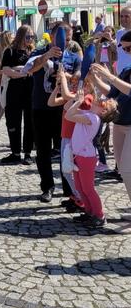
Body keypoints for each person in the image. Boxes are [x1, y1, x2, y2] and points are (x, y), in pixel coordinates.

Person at [27, 22, 71, 202]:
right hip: (41, 107)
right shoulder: (39, 52)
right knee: (43, 150)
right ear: (52, 37)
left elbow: (79, 76)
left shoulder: (73, 54)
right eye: (63, 38)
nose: (66, 42)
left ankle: (69, 187)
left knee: (65, 149)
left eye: (69, 39)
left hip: (64, 108)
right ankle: (47, 186)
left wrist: (67, 77)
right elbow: (31, 69)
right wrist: (47, 55)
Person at [64, 89, 118, 228]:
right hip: (79, 155)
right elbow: (66, 108)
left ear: (103, 112)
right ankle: (89, 212)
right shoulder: (88, 114)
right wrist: (76, 99)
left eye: (103, 103)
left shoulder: (93, 119)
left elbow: (69, 115)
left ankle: (99, 215)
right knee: (79, 187)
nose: (100, 100)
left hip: (86, 158)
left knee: (88, 188)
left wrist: (79, 101)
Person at [47, 64, 88, 214]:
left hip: (73, 139)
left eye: (77, 81)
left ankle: (80, 197)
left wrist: (63, 77)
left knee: (68, 171)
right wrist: (58, 87)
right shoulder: (71, 94)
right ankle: (76, 196)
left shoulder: (80, 98)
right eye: (73, 81)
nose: (74, 83)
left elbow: (66, 97)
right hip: (65, 137)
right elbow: (51, 102)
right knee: (66, 170)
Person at [90, 60, 131, 206]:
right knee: (122, 169)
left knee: (127, 170)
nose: (128, 53)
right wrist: (96, 78)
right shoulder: (127, 69)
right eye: (126, 49)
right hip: (119, 124)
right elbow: (112, 92)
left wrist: (110, 76)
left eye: (129, 48)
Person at [1, 26, 35, 164]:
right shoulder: (9, 51)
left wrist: (21, 71)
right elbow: (6, 69)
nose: (30, 40)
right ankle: (15, 152)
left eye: (32, 37)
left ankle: (27, 153)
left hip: (29, 90)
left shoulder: (32, 52)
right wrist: (21, 73)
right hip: (14, 90)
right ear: (20, 36)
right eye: (28, 37)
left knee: (29, 122)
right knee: (13, 121)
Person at [116, 6, 131, 73]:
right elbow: (118, 50)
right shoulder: (119, 33)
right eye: (121, 16)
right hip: (120, 72)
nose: (123, 19)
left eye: (126, 16)